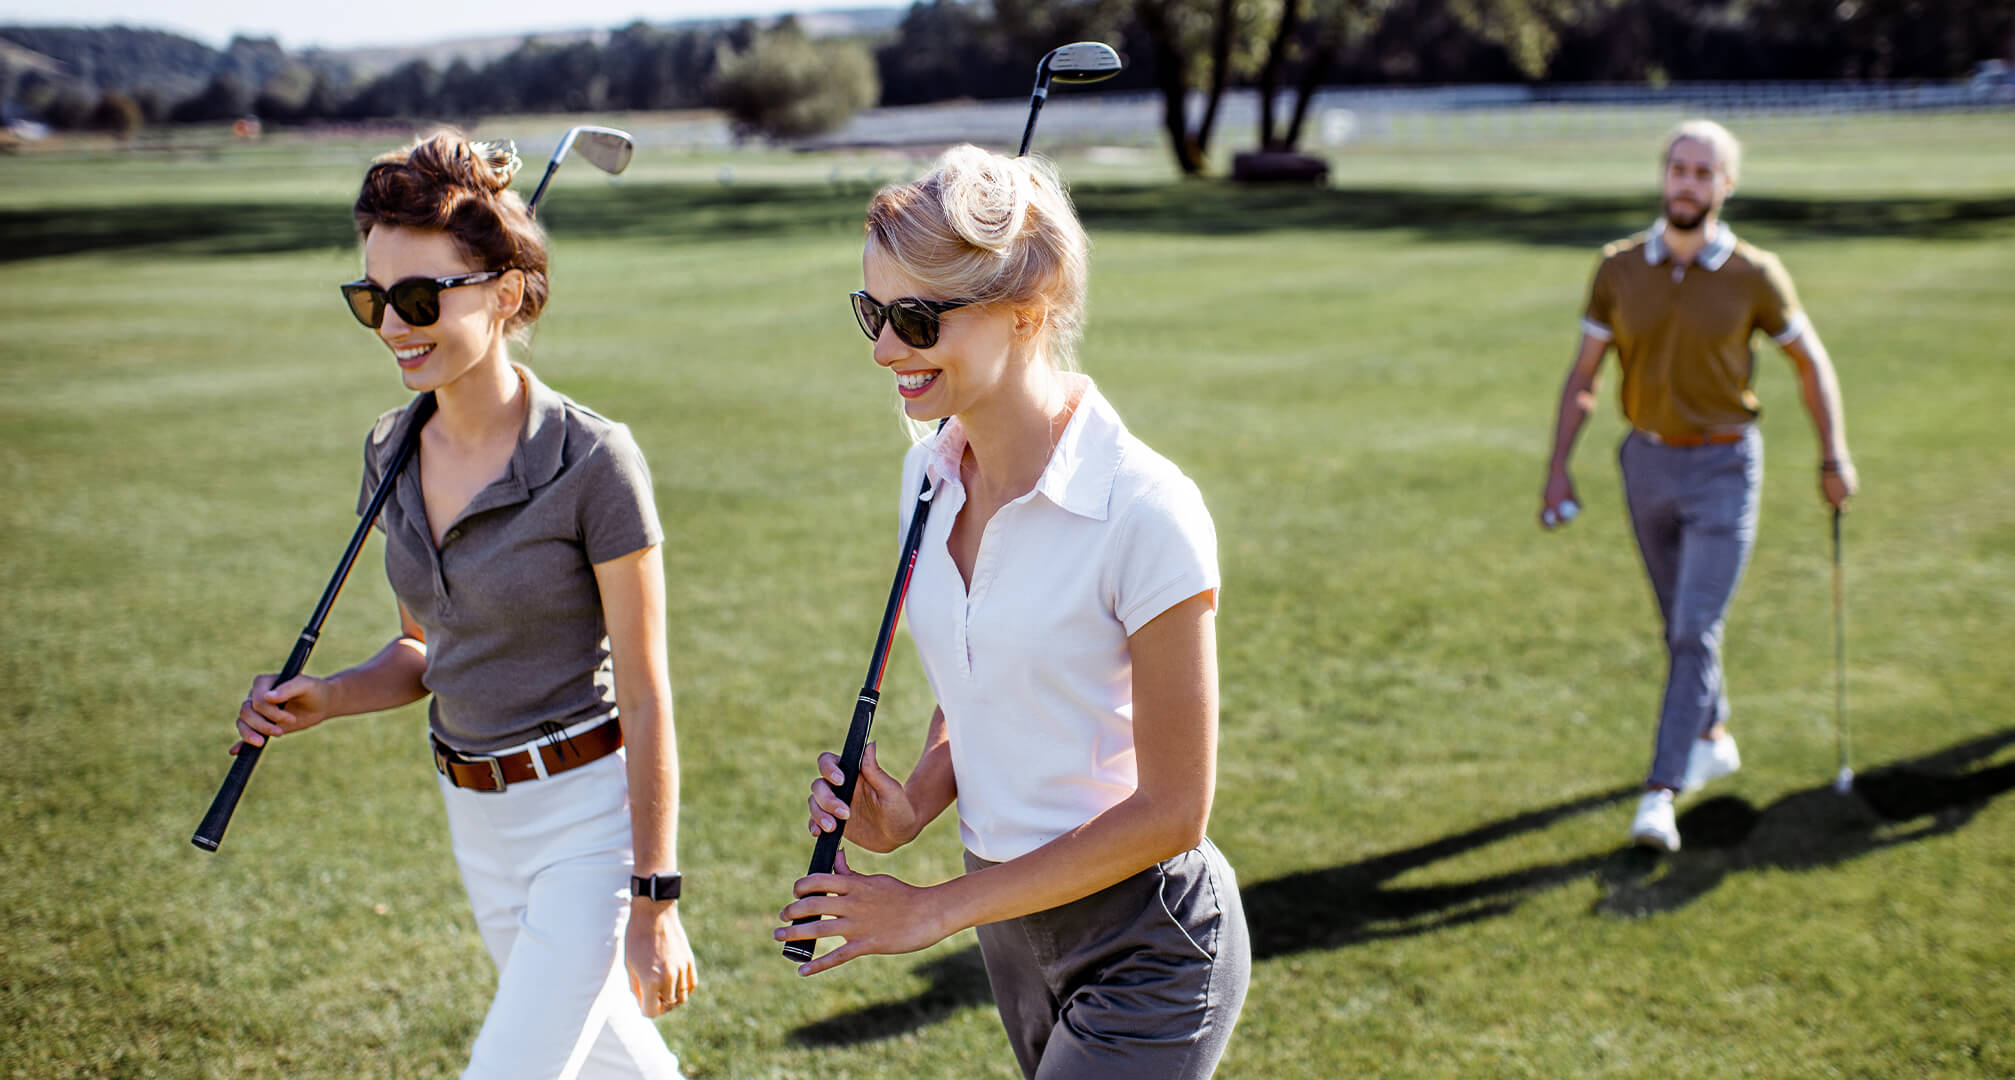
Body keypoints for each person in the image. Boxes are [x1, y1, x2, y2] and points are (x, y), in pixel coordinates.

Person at [775, 145, 1250, 1078]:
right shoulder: (929, 478)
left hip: (1146, 941)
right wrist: (916, 800)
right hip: (1012, 936)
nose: (883, 350)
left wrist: (932, 906)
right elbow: (987, 673)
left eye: (914, 319)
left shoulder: (1145, 511)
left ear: (1027, 315)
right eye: (873, 312)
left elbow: (1173, 810)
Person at [230, 131, 695, 1078]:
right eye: (372, 299)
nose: (392, 325)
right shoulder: (387, 449)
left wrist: (656, 897)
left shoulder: (595, 462)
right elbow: (425, 649)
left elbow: (647, 697)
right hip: (475, 816)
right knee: (612, 1062)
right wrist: (329, 695)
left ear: (507, 293)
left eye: (417, 299)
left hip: (585, 824)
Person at [1541, 119, 1859, 852]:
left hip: (1724, 468)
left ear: (1725, 185)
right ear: (1665, 177)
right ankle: (1712, 734)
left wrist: (1832, 455)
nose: (1686, 182)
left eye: (1702, 172)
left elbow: (1810, 364)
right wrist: (1558, 465)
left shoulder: (1755, 273)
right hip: (1645, 465)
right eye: (1677, 169)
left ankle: (1660, 793)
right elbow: (1585, 377)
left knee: (1692, 630)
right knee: (1678, 628)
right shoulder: (1617, 268)